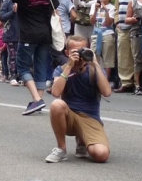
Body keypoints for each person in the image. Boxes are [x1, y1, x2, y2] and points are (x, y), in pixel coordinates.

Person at [0, 0, 58, 115]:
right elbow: (54, 10)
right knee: (40, 67)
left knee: (22, 67)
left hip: (28, 34)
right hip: (45, 33)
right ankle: (37, 100)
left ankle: (37, 100)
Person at [45, 35, 112, 163]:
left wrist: (96, 64)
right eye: (75, 51)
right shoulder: (62, 69)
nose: (79, 55)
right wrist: (69, 66)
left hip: (90, 118)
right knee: (56, 105)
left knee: (101, 154)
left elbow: (107, 92)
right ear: (67, 53)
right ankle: (61, 149)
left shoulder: (94, 70)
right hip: (69, 116)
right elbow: (56, 92)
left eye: (82, 50)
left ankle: (82, 141)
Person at [114, 0, 139, 92]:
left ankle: (137, 82)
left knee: (136, 55)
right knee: (123, 55)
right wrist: (117, 21)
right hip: (122, 26)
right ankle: (125, 82)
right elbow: (117, 5)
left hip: (135, 26)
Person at [124, 0, 142, 95]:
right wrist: (133, 19)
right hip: (137, 32)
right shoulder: (133, 1)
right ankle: (138, 85)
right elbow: (126, 19)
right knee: (138, 59)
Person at [90, 0, 116, 86]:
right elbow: (92, 21)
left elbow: (109, 23)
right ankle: (93, 78)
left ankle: (106, 80)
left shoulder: (112, 8)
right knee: (93, 56)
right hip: (96, 33)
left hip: (107, 33)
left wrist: (106, 11)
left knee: (107, 57)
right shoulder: (94, 6)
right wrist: (96, 10)